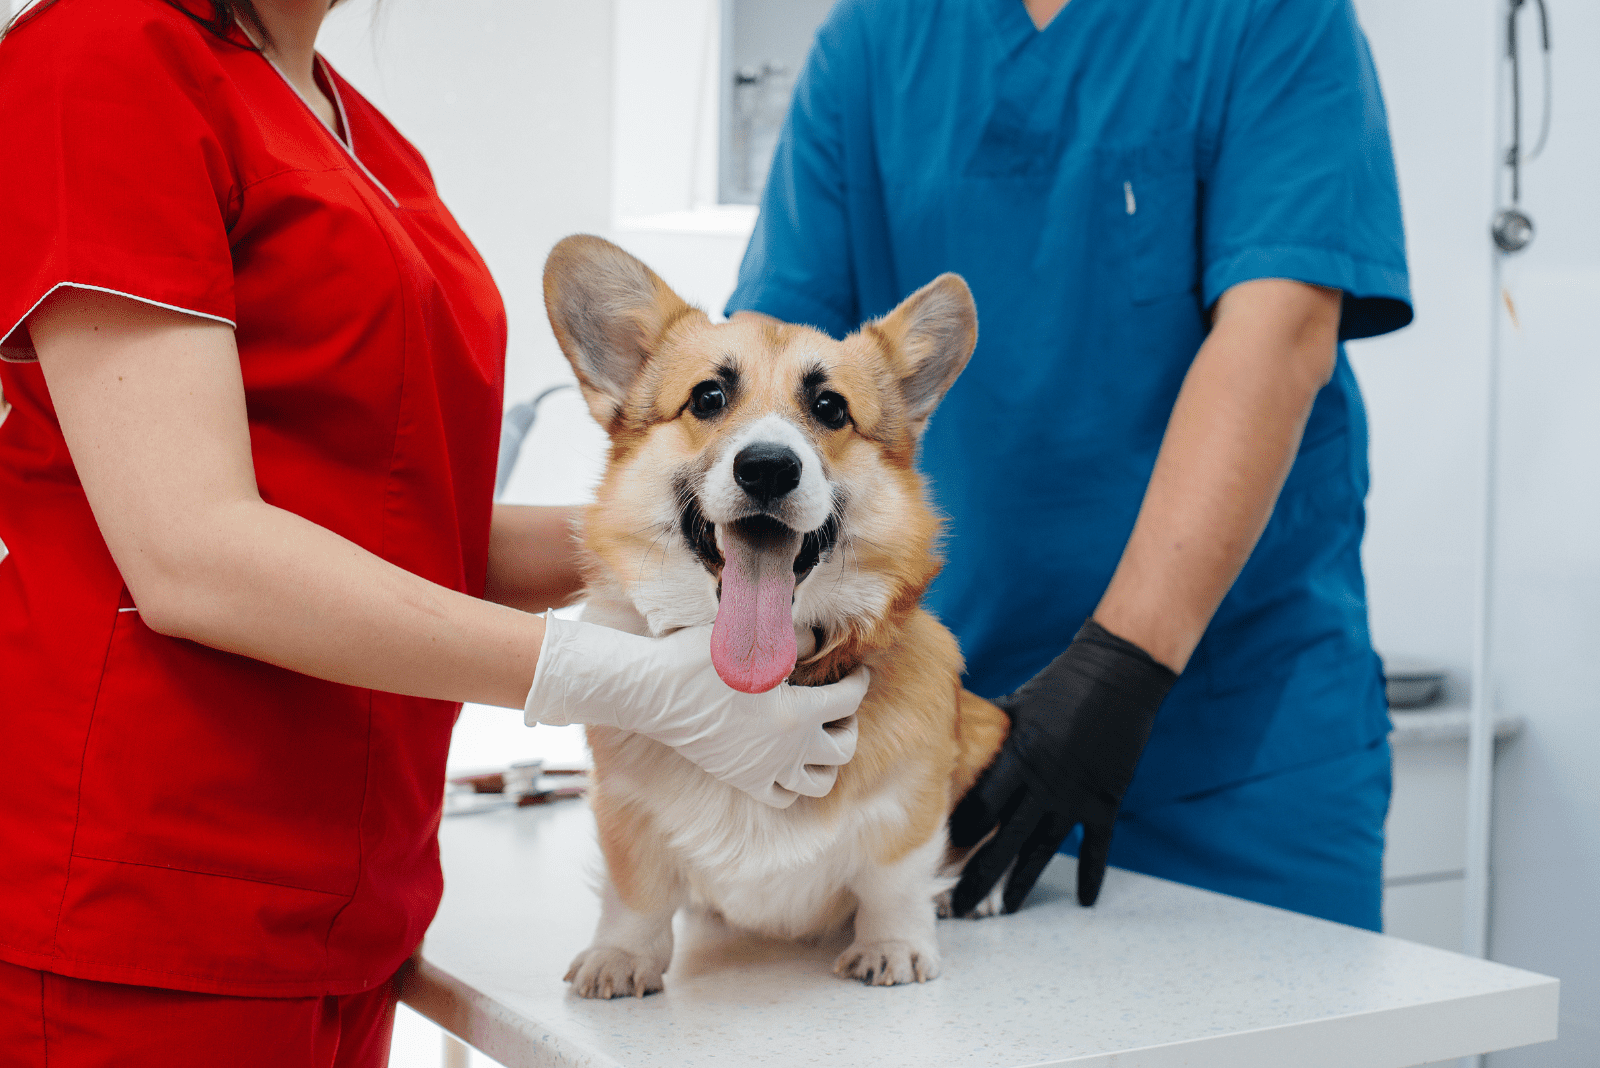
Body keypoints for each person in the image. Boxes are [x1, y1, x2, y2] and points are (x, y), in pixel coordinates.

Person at [0, 0, 865, 1062]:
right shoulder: (104, 52)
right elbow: (192, 553)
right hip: (144, 899)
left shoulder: (354, 128)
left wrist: (725, 536)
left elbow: (411, 532)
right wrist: (624, 681)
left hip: (353, 904)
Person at [728, 0, 1412, 929]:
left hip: (1240, 754)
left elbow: (1282, 337)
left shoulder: (1273, 18)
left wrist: (1119, 667)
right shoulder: (875, 43)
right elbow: (771, 369)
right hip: (950, 751)